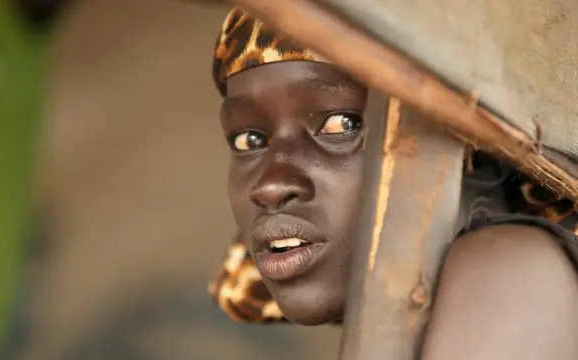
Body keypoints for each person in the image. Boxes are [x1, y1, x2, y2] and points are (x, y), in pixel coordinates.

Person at [207, 8, 578, 359]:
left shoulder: (508, 270)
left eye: (342, 125)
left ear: (479, 156)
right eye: (248, 141)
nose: (270, 187)